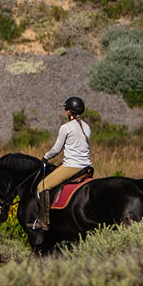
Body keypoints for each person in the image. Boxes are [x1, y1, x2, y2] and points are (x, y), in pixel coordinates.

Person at [33, 96, 92, 230]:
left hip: (72, 167)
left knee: (42, 187)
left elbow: (56, 150)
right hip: (87, 167)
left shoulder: (65, 127)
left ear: (69, 111)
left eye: (66, 109)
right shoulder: (87, 127)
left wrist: (45, 157)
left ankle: (44, 220)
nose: (65, 112)